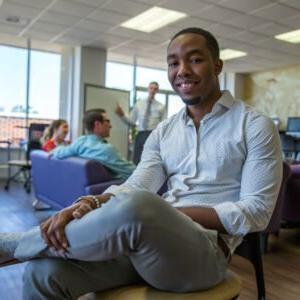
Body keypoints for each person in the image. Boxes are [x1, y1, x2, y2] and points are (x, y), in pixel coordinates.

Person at [0, 27, 282, 300]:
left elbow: (256, 214)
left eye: (195, 60)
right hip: (146, 245)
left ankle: (12, 245)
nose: (182, 70)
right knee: (44, 273)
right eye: (173, 63)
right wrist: (91, 202)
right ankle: (25, 246)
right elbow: (135, 185)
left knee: (142, 206)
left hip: (206, 254)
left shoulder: (254, 126)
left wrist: (168, 212)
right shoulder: (164, 132)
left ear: (217, 65)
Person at [50, 108, 135, 180]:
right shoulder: (106, 150)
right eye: (107, 121)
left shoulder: (80, 142)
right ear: (97, 124)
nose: (110, 125)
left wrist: (53, 151)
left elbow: (58, 152)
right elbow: (136, 173)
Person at [115, 81, 166, 164]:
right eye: (151, 88)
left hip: (153, 135)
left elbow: (164, 124)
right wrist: (122, 115)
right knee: (137, 160)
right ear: (148, 89)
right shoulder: (139, 104)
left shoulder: (161, 107)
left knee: (151, 161)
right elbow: (131, 121)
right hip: (140, 134)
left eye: (155, 89)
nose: (153, 90)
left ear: (157, 91)